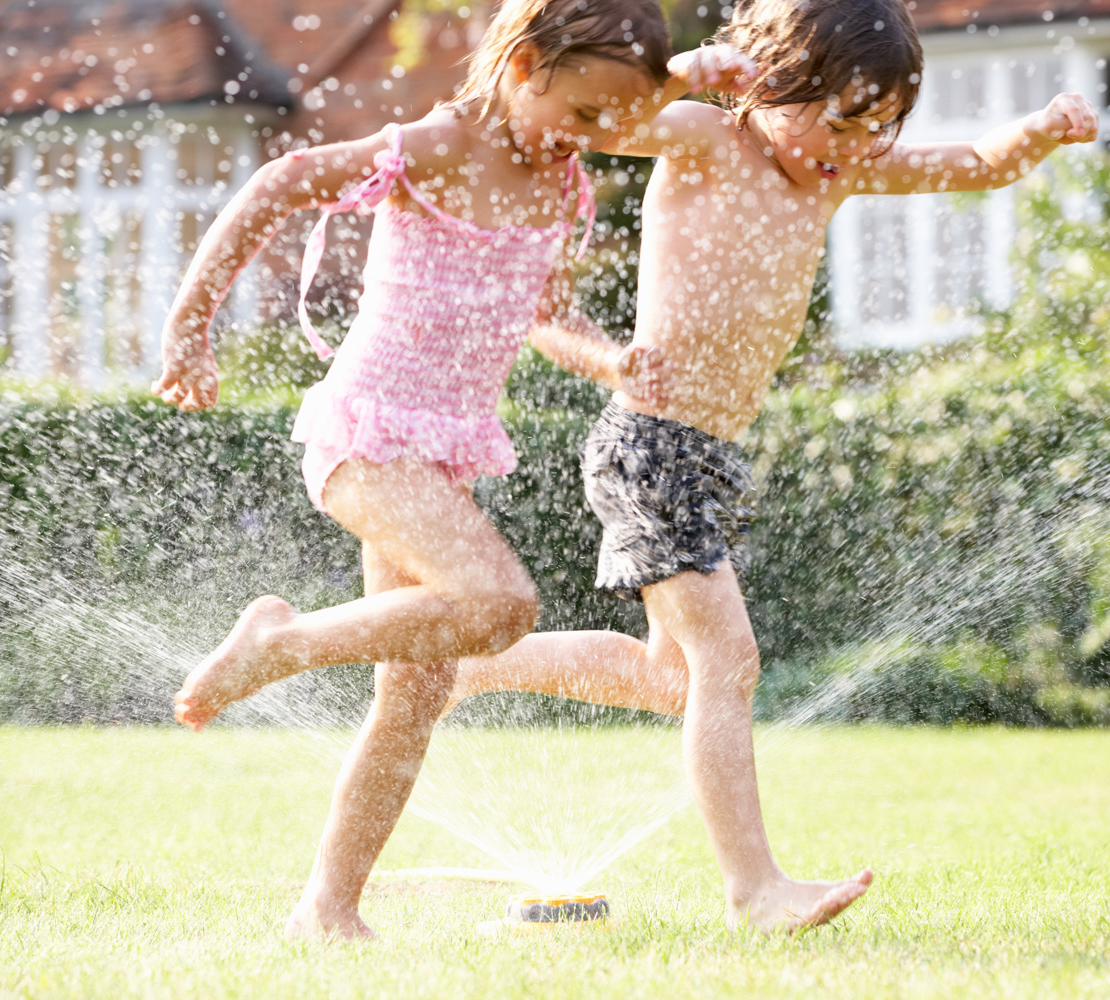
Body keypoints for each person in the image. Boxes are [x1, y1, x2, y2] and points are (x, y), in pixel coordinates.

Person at [445, 0, 1100, 932]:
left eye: (879, 127)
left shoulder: (831, 177)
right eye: (839, 120)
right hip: (649, 444)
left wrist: (1038, 134)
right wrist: (686, 73)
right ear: (766, 84)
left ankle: (469, 666)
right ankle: (754, 889)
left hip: (707, 457)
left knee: (674, 679)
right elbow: (607, 118)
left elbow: (974, 166)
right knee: (729, 661)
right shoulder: (709, 140)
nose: (856, 145)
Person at [152, 0, 751, 939]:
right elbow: (278, 179)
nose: (593, 140)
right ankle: (280, 643)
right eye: (582, 115)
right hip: (366, 437)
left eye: (612, 124)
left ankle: (327, 909)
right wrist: (190, 328)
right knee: (503, 605)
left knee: (414, 696)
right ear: (520, 65)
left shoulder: (558, 181)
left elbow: (546, 309)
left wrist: (611, 360)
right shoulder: (434, 145)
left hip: (442, 456)